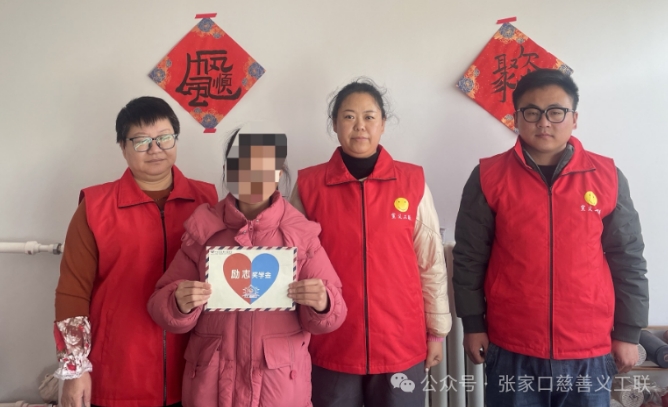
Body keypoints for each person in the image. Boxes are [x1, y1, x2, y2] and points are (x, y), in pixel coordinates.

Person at [453, 69, 649, 406]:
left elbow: (628, 258)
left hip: (589, 347)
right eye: (532, 112)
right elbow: (469, 258)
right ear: (516, 117)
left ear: (574, 119)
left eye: (556, 112)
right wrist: (472, 324)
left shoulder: (607, 177)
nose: (544, 122)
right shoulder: (489, 176)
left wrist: (629, 332)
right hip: (513, 346)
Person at [147, 129, 347, 407]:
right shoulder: (204, 229)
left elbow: (335, 313)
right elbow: (159, 304)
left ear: (278, 173)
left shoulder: (300, 234)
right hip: (210, 386)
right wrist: (178, 303)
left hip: (279, 388)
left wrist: (323, 303)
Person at [290, 79, 451, 407]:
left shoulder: (412, 182)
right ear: (335, 124)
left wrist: (436, 330)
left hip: (400, 341)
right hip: (332, 342)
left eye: (369, 117)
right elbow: (292, 264)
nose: (359, 126)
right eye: (349, 117)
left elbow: (430, 261)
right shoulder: (308, 185)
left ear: (383, 124)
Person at [54, 96, 218, 407]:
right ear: (123, 146)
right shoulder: (95, 207)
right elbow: (72, 293)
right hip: (117, 371)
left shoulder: (206, 200)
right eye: (141, 141)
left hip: (192, 369)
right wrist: (75, 369)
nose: (155, 149)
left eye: (164, 137)